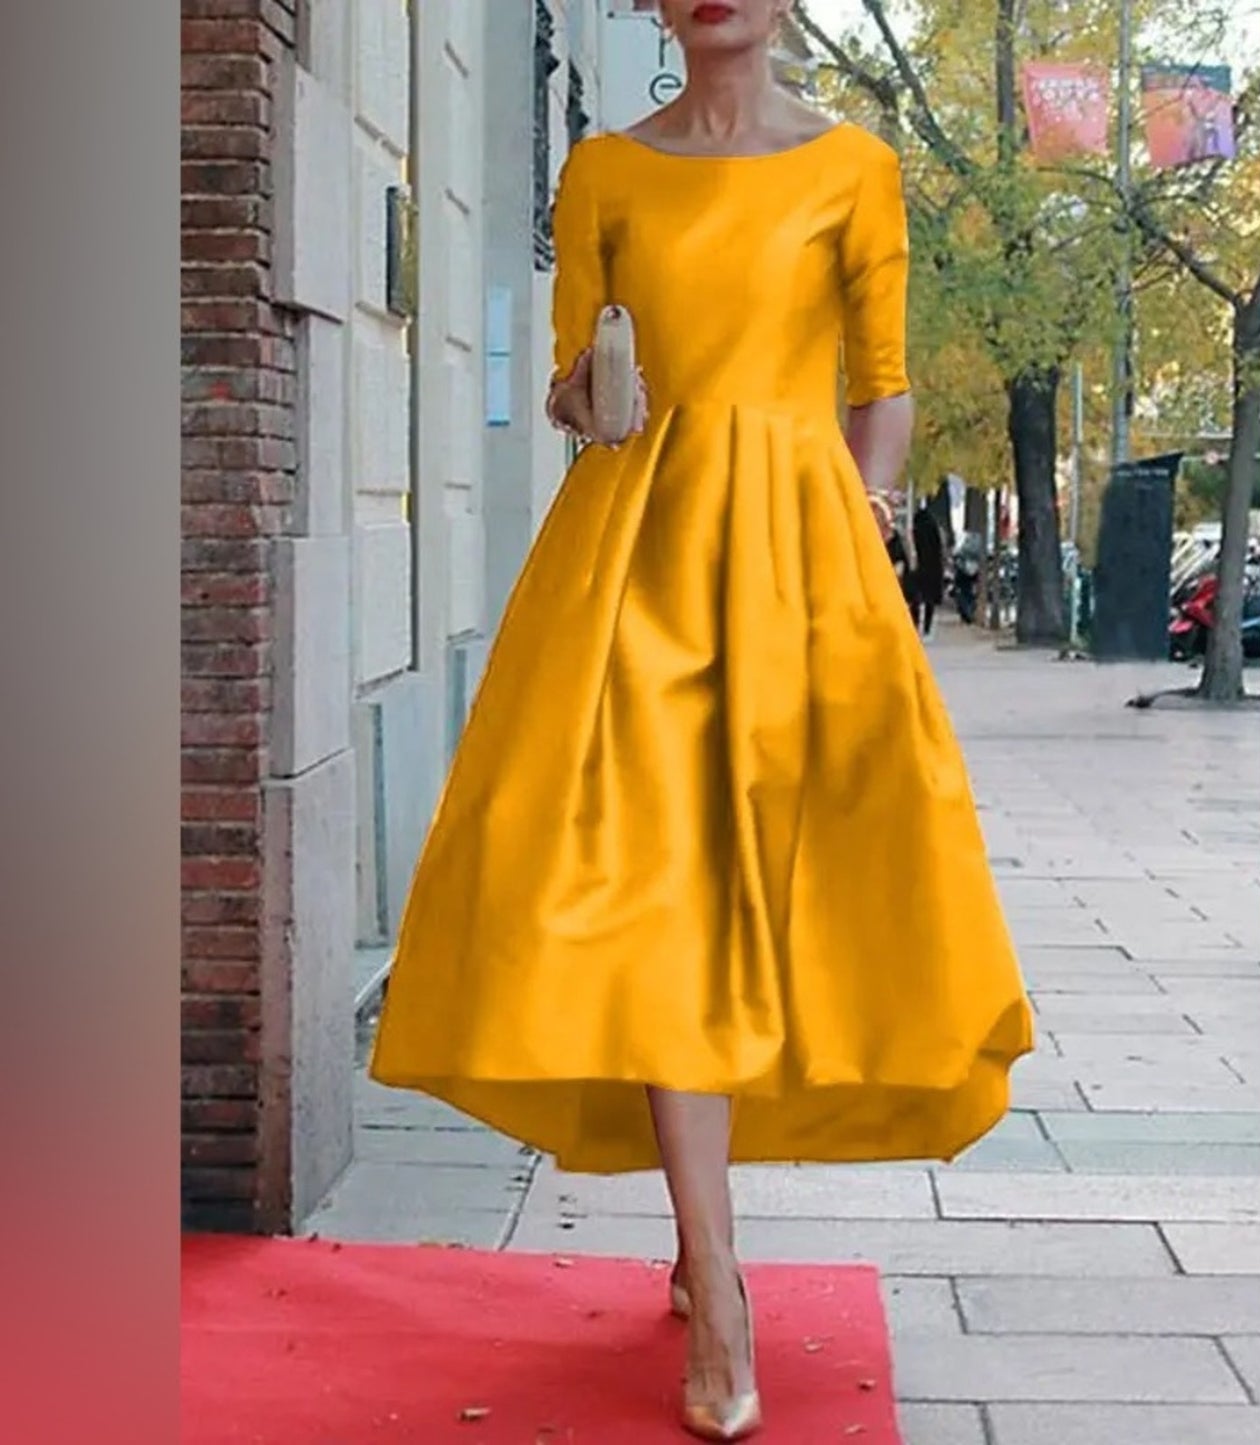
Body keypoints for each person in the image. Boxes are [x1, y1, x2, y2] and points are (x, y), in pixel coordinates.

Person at [368, 1, 1033, 1437]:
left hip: (801, 556)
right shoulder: (603, 166)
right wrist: (582, 394)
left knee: (799, 882)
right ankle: (718, 1275)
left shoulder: (854, 164)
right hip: (640, 565)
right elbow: (572, 380)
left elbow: (881, 384)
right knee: (662, 891)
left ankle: (701, 1230)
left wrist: (859, 531)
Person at [911, 497, 945, 638]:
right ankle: (926, 627)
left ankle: (916, 624)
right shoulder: (933, 528)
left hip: (920, 566)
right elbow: (939, 548)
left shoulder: (917, 528)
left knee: (916, 597)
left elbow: (915, 547)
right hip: (933, 567)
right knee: (929, 600)